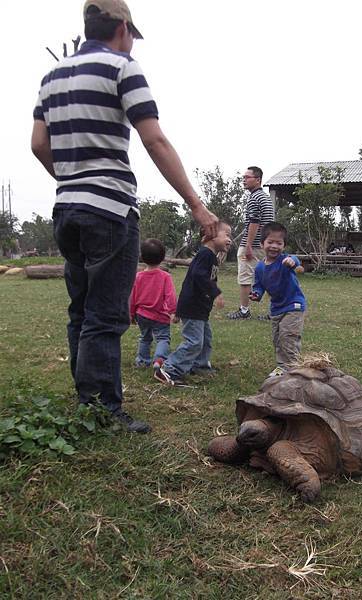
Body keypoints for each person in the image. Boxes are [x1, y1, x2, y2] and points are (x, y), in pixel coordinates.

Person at [31, 0, 218, 433]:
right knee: (106, 315)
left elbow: (39, 144)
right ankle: (102, 411)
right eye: (132, 35)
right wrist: (195, 202)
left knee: (80, 309)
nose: (132, 43)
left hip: (67, 208)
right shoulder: (122, 67)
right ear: (122, 28)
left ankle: (86, 402)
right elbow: (154, 139)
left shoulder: (51, 76)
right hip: (110, 210)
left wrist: (72, 178)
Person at [155, 222, 232, 385]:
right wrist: (216, 292)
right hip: (193, 308)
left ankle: (200, 365)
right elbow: (198, 276)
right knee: (194, 341)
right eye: (227, 235)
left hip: (200, 309)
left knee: (206, 338)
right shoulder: (205, 254)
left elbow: (195, 280)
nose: (230, 239)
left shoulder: (212, 257)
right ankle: (169, 368)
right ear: (211, 235)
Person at [249, 222, 307, 377]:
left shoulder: (285, 260)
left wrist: (293, 261)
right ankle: (282, 366)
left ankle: (294, 368)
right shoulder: (260, 268)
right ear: (262, 244)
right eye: (270, 242)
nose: (274, 246)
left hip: (294, 305)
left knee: (288, 336)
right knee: (277, 339)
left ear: (283, 246)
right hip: (276, 308)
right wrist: (256, 294)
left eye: (279, 243)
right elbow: (259, 286)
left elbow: (295, 260)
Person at [227, 166, 275, 320]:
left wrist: (248, 245)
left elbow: (254, 222)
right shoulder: (265, 197)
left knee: (245, 278)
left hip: (253, 245)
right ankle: (276, 311)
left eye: (247, 177)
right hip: (265, 244)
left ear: (258, 180)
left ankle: (244, 310)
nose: (244, 180)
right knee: (270, 278)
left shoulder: (254, 198)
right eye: (243, 177)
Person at [129, 239, 177, 369]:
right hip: (160, 315)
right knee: (163, 338)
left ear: (142, 258)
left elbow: (132, 298)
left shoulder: (137, 277)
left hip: (142, 315)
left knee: (145, 337)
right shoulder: (165, 276)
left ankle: (142, 361)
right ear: (162, 258)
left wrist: (131, 314)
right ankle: (159, 359)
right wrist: (173, 312)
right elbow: (170, 296)